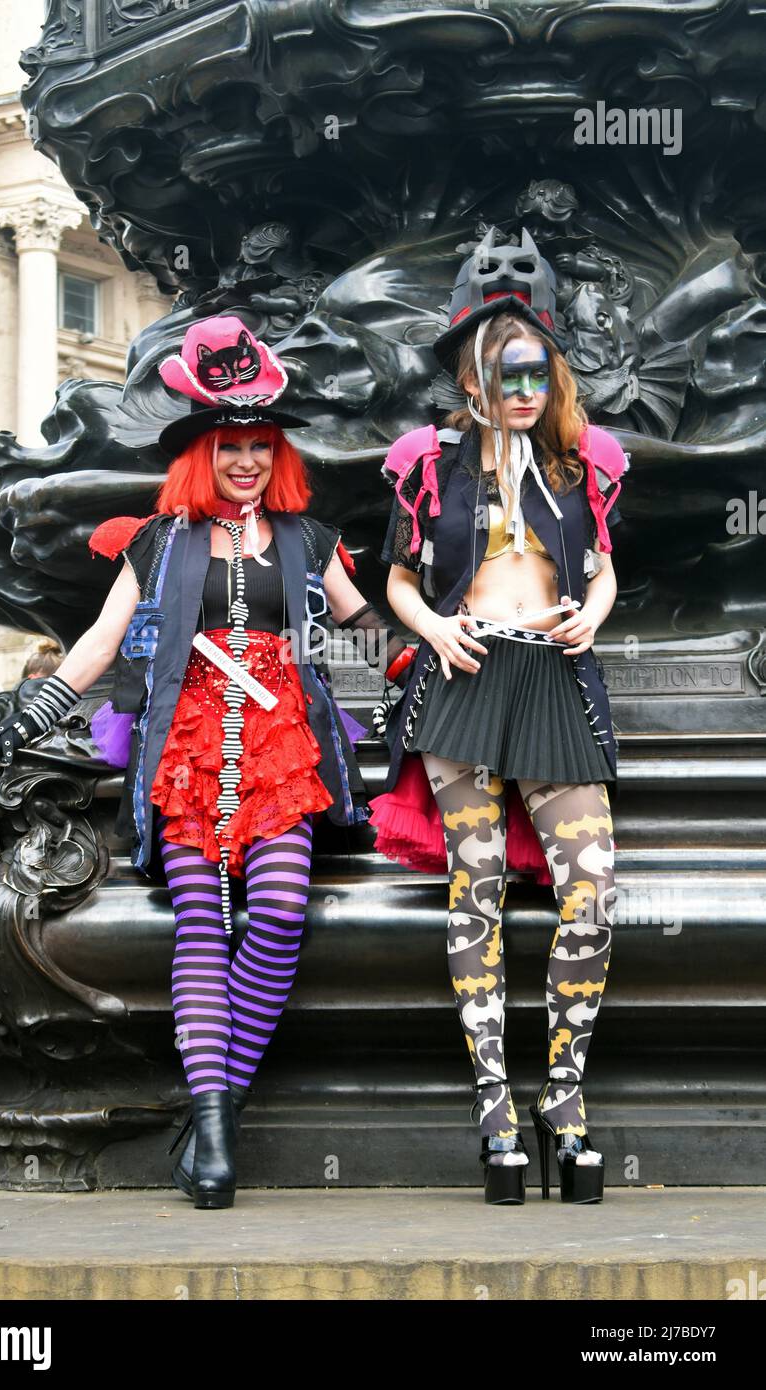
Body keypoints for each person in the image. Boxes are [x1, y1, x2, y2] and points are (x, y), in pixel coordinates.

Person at [0, 314, 414, 1210]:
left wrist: (441, 644)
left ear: (277, 453)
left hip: (282, 742)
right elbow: (96, 644)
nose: (246, 460)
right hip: (191, 743)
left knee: (277, 912)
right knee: (202, 926)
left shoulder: (309, 540)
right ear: (202, 453)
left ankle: (217, 1106)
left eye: (259, 445)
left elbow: (369, 629)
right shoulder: (159, 541)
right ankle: (212, 1129)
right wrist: (20, 717)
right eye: (229, 445)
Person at [369, 227, 628, 1205]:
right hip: (463, 682)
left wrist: (587, 618)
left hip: (555, 678)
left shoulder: (584, 460)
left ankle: (562, 1097)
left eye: (524, 353)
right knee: (472, 884)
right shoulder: (424, 458)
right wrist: (434, 628)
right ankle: (494, 1106)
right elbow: (394, 578)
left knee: (591, 889)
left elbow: (602, 572)